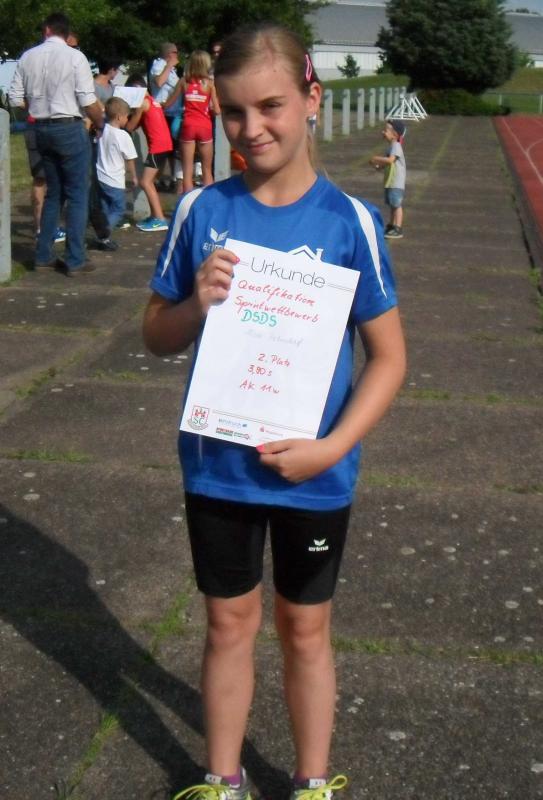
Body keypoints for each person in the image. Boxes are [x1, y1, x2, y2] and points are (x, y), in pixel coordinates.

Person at [143, 22, 406, 800]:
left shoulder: (350, 222)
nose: (249, 128)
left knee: (304, 628)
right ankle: (221, 778)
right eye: (232, 111)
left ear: (310, 99)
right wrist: (196, 302)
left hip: (312, 476)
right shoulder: (199, 209)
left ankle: (311, 781)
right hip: (218, 467)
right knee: (227, 624)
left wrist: (332, 447)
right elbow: (155, 334)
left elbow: (388, 359)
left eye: (270, 106)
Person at [9, 12, 104, 275]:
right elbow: (87, 100)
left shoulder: (28, 57)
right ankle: (75, 258)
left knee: (54, 193)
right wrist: (100, 122)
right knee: (77, 194)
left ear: (47, 30)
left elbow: (15, 97)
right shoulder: (75, 57)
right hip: (69, 125)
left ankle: (43, 254)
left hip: (40, 127)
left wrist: (36, 108)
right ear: (66, 33)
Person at [168, 49, 220, 194]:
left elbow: (169, 104)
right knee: (207, 170)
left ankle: (187, 202)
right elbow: (217, 110)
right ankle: (208, 201)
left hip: (188, 125)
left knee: (187, 171)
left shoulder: (184, 81)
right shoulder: (210, 84)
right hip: (205, 126)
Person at [124, 74, 171, 232]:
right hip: (164, 145)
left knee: (145, 182)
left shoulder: (142, 103)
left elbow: (130, 127)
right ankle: (155, 216)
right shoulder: (152, 100)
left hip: (158, 146)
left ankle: (160, 219)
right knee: (149, 182)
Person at [96, 97, 138, 234]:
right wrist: (134, 177)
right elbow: (130, 158)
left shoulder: (102, 130)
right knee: (119, 209)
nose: (127, 119)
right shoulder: (123, 136)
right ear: (119, 117)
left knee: (105, 207)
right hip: (115, 180)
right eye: (127, 117)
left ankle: (103, 233)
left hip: (100, 176)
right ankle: (103, 232)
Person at [149, 42, 183, 190]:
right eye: (176, 52)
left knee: (173, 149)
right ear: (170, 54)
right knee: (163, 148)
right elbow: (158, 82)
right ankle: (156, 179)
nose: (178, 55)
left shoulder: (173, 70)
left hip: (174, 113)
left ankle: (173, 178)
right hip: (163, 112)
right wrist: (168, 66)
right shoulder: (159, 65)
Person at [369, 119, 407, 240]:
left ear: (394, 134)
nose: (383, 132)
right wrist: (377, 166)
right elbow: (387, 163)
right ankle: (391, 225)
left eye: (386, 130)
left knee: (397, 205)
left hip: (396, 182)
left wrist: (376, 158)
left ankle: (398, 228)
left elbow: (390, 160)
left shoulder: (396, 146)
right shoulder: (391, 147)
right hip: (391, 181)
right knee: (392, 204)